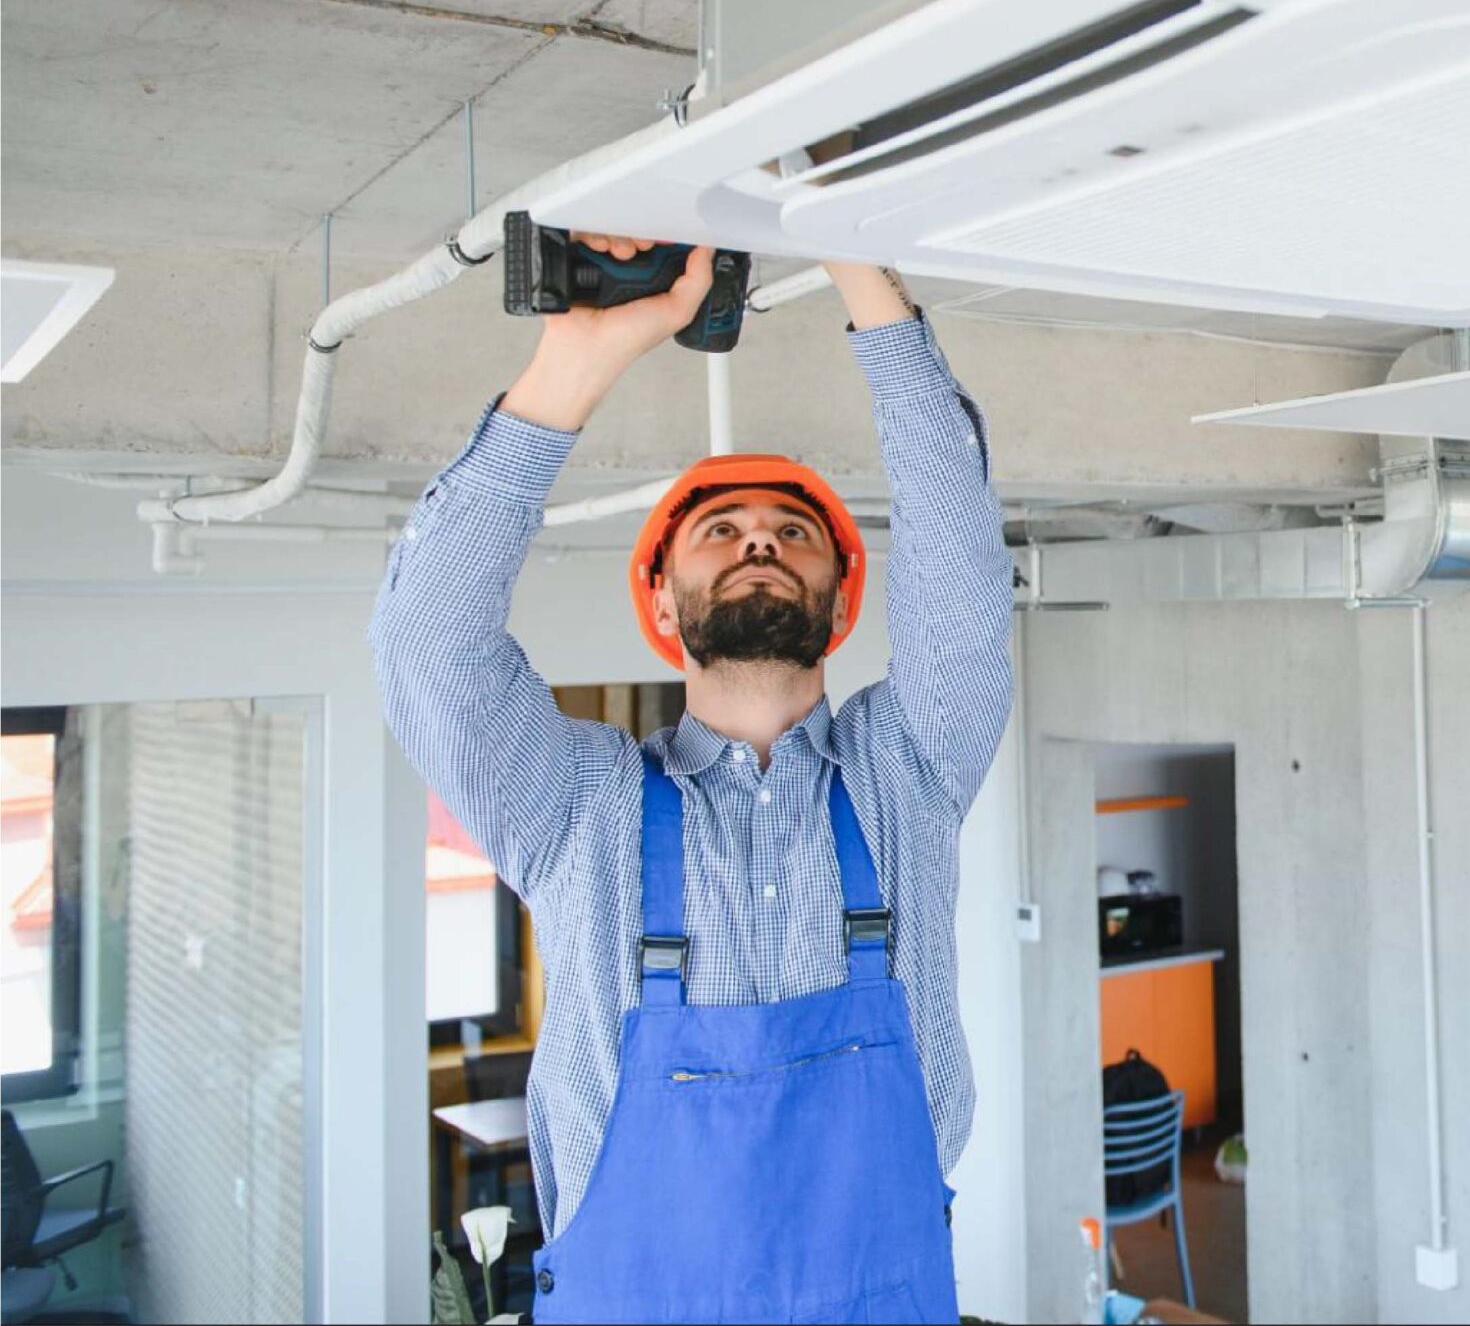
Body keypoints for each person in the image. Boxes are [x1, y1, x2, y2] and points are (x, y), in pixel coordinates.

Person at [371, 240, 1012, 1323]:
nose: (760, 542)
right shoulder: (579, 808)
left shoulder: (910, 769)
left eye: (794, 532)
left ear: (840, 603)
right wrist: (570, 368)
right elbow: (428, 647)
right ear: (663, 607)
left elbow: (958, 559)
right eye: (721, 531)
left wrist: (855, 254)